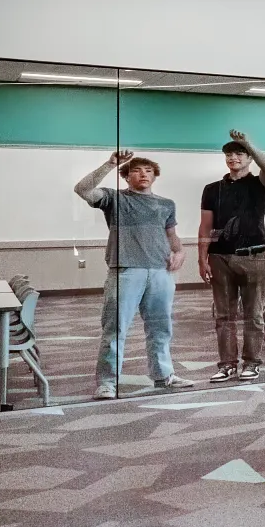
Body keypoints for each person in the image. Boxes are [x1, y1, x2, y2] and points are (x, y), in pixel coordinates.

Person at [76, 149, 188, 398]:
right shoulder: (115, 199)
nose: (143, 174)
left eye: (148, 170)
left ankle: (163, 375)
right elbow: (82, 189)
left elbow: (172, 236)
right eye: (136, 170)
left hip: (160, 271)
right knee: (115, 328)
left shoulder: (166, 204)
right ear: (126, 176)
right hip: (126, 270)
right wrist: (109, 164)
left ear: (155, 175)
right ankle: (107, 382)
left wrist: (180, 253)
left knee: (161, 327)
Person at [198, 129, 265, 383]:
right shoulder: (212, 189)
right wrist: (202, 257)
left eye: (239, 153)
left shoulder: (258, 184)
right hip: (220, 258)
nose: (233, 157)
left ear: (249, 157)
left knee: (253, 314)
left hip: (253, 257)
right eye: (229, 154)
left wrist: (248, 143)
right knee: (223, 315)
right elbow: (206, 225)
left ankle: (252, 363)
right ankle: (227, 364)